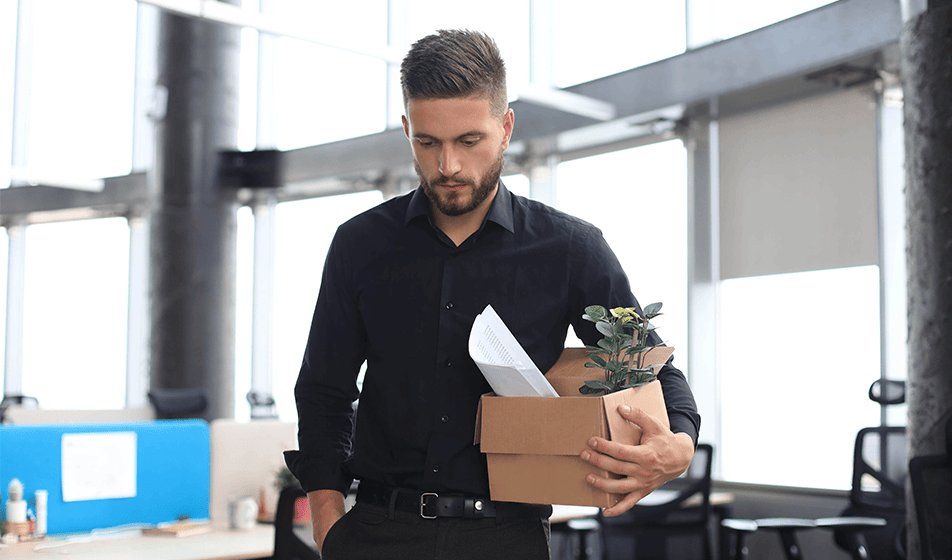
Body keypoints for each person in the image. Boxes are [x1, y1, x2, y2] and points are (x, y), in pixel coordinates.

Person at [284, 29, 700, 560]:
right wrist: (327, 521)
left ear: (505, 129)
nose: (449, 166)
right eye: (428, 143)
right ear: (408, 129)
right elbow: (323, 390)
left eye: (469, 141)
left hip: (506, 537)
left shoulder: (570, 248)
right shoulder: (359, 245)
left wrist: (679, 446)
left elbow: (651, 367)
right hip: (375, 535)